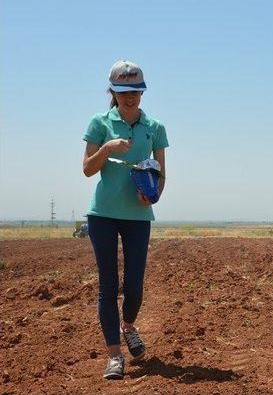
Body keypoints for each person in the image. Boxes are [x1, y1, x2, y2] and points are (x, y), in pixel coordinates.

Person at [82, 60, 169, 379]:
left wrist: (154, 193)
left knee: (134, 286)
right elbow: (88, 169)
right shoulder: (99, 122)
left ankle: (128, 325)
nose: (130, 97)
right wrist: (107, 147)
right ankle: (114, 355)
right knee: (108, 286)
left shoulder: (155, 127)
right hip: (103, 214)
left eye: (136, 91)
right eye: (123, 92)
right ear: (112, 92)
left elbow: (161, 173)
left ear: (142, 92)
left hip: (138, 216)